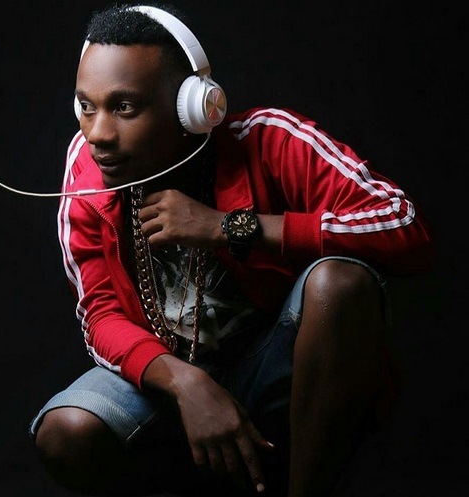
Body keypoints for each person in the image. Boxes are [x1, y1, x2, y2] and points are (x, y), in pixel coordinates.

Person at [28, 3, 434, 497]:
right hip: (169, 384)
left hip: (274, 371)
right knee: (66, 432)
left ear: (194, 108)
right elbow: (101, 314)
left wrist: (229, 227)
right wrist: (184, 383)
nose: (97, 135)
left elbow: (404, 226)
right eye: (86, 107)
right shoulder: (86, 170)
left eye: (125, 108)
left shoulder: (269, 141)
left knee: (341, 282)